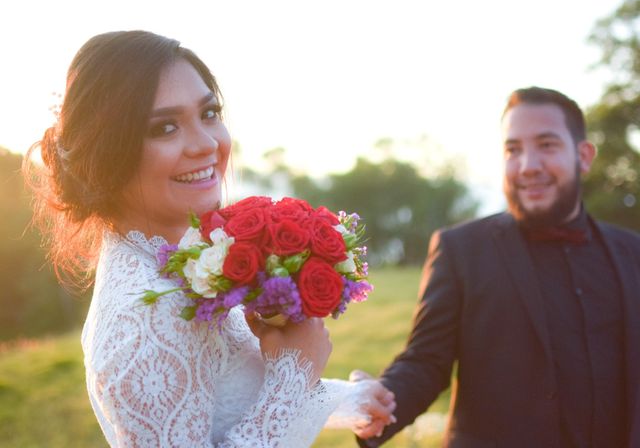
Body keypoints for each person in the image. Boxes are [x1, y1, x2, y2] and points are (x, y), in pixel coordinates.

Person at [25, 30, 395, 447]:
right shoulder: (143, 319)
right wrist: (295, 370)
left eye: (209, 113)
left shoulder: (178, 266)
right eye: (165, 127)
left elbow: (228, 403)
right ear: (107, 151)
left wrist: (352, 400)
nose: (206, 144)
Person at [356, 86, 640, 447]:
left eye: (547, 145)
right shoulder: (461, 250)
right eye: (513, 149)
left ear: (584, 156)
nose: (527, 166)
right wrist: (379, 401)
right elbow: (426, 360)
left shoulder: (633, 252)